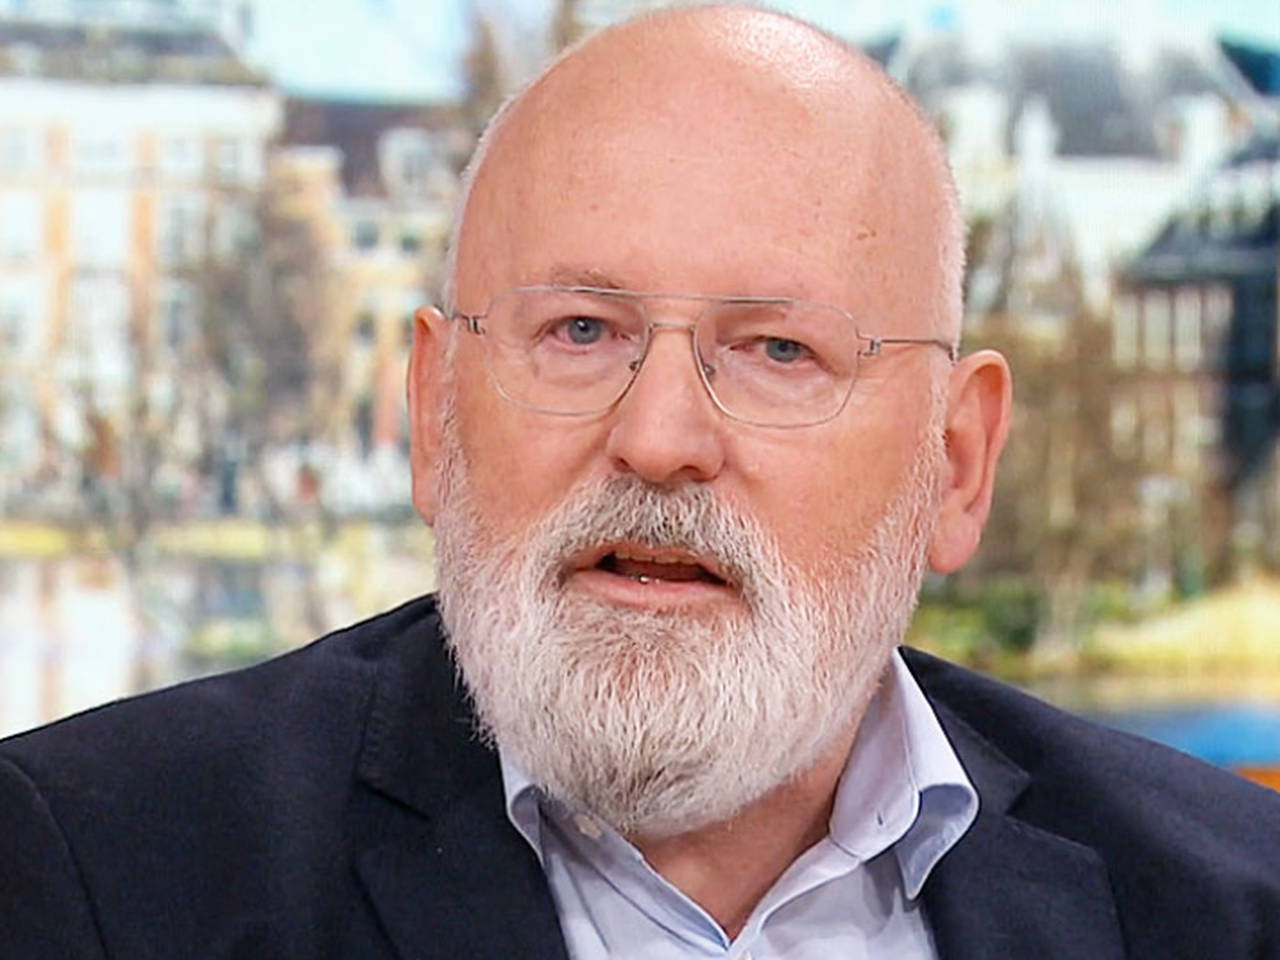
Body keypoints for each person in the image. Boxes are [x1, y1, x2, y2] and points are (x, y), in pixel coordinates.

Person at [2, 6, 1278, 959]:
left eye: (777, 350)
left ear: (954, 462)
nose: (659, 438)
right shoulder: (96, 872)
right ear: (435, 414)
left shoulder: (1232, 900)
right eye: (579, 332)